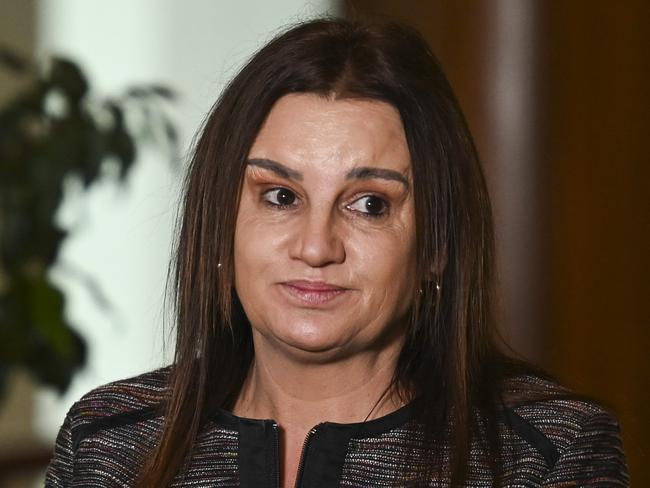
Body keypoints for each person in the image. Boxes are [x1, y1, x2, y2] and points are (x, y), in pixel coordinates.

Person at [45, 18, 628, 488]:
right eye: (280, 196)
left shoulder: (548, 453)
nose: (316, 246)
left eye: (370, 204)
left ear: (437, 246)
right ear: (221, 223)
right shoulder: (108, 442)